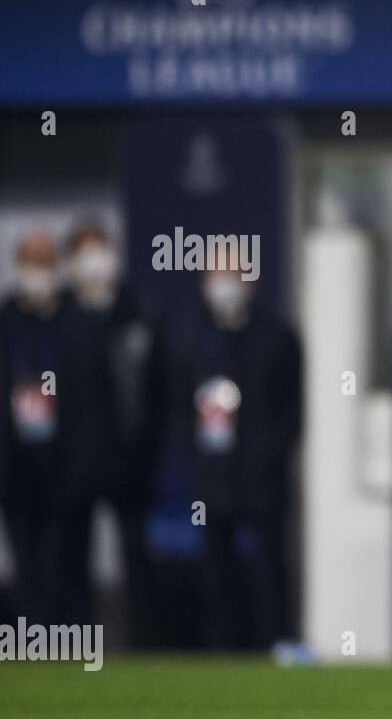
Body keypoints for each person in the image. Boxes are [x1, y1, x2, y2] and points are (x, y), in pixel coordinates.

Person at [174, 242, 301, 649]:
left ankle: (279, 644)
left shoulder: (277, 336)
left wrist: (267, 454)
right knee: (216, 569)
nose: (226, 284)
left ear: (251, 280)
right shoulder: (190, 336)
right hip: (213, 476)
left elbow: (292, 409)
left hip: (263, 477)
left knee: (270, 568)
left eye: (235, 274)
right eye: (218, 275)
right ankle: (222, 650)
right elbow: (176, 405)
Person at [65, 221, 168, 644]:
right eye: (86, 253)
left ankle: (144, 646)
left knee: (137, 560)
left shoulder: (137, 313)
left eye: (101, 251)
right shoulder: (63, 317)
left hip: (129, 464)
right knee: (71, 561)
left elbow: (158, 392)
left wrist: (147, 450)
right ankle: (68, 646)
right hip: (73, 465)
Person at [0, 231, 102, 625]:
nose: (39, 271)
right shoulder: (6, 323)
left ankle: (69, 645)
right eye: (32, 260)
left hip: (65, 470)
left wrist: (84, 466)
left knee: (66, 566)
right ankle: (30, 641)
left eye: (46, 262)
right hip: (17, 468)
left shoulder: (77, 324)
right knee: (27, 567)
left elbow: (92, 402)